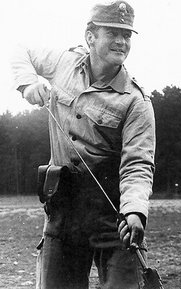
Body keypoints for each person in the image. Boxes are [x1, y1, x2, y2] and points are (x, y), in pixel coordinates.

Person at [11, 1, 156, 288]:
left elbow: (137, 164)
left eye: (126, 35)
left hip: (114, 218)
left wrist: (135, 210)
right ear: (90, 36)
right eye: (113, 32)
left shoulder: (136, 102)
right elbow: (21, 49)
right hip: (62, 214)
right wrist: (27, 83)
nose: (121, 41)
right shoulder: (63, 63)